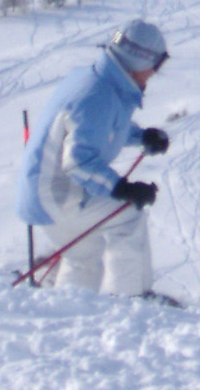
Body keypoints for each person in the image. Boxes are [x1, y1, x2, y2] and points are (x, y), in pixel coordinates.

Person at [16, 20, 172, 297]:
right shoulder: (98, 95)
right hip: (58, 195)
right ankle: (135, 299)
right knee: (128, 215)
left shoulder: (99, 80)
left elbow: (102, 129)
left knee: (84, 257)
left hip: (41, 193)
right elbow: (78, 161)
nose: (154, 73)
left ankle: (70, 309)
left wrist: (142, 137)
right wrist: (123, 190)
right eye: (156, 64)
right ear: (139, 60)